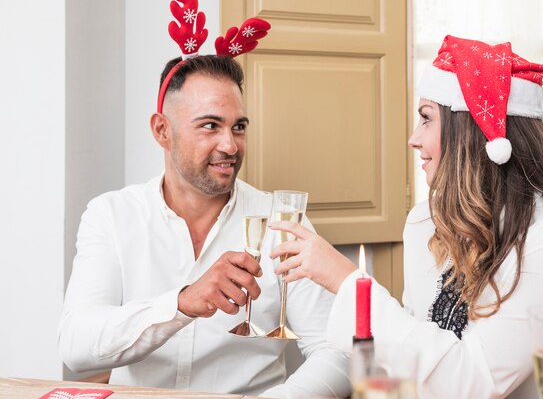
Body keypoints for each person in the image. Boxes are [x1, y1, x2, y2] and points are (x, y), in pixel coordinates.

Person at [269, 35, 543, 399]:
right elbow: (413, 365)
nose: (413, 138)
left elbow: (474, 382)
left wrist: (348, 282)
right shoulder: (426, 222)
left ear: (472, 132)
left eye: (426, 119)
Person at [58, 53, 351, 399]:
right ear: (162, 130)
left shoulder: (280, 220)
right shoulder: (111, 215)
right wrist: (180, 305)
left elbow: (340, 351)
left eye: (238, 127)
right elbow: (76, 346)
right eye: (210, 125)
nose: (229, 146)